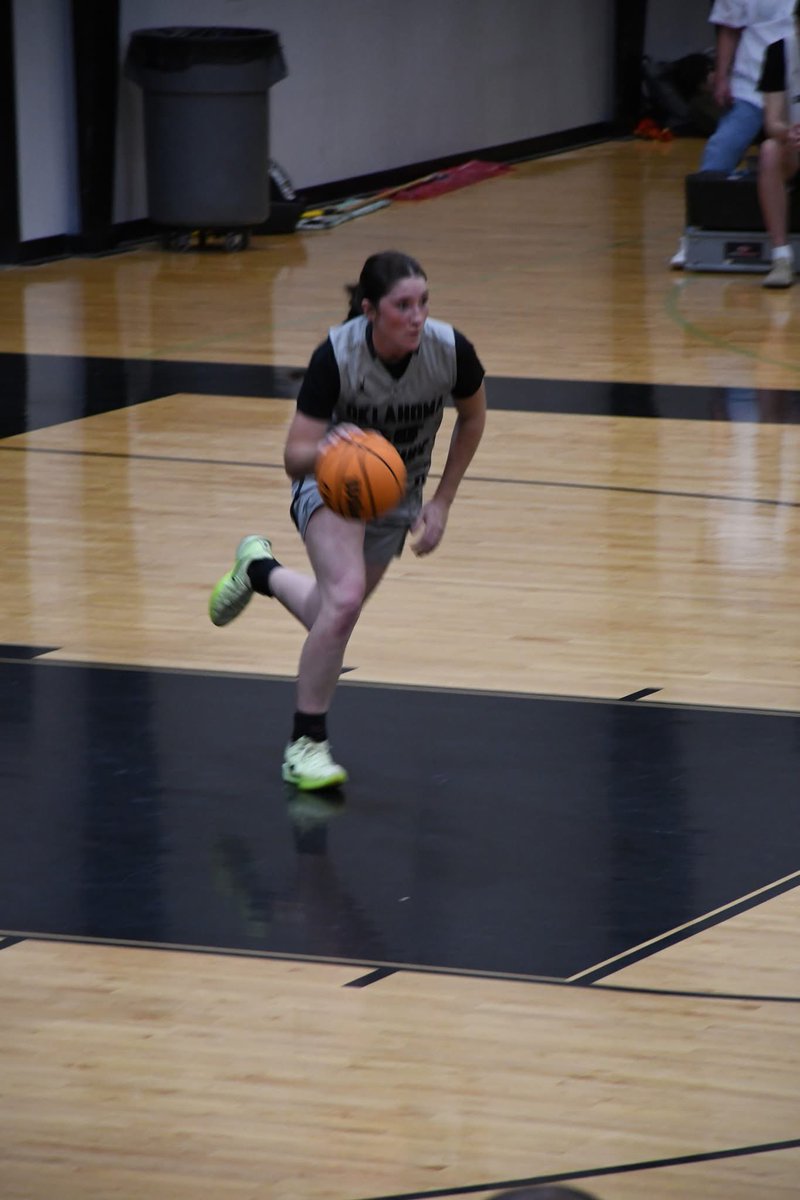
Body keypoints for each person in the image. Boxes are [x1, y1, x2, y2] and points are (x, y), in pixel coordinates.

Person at [208, 250, 487, 790]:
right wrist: (340, 450)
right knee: (346, 599)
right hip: (329, 484)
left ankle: (258, 570)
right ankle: (305, 744)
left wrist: (443, 500)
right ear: (369, 311)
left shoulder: (451, 351)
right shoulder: (335, 358)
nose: (416, 316)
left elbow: (473, 417)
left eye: (423, 303)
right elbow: (294, 455)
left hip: (396, 493)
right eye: (402, 305)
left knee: (330, 614)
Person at [670, 0, 794, 268]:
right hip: (751, 86)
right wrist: (723, 77)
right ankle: (693, 235)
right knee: (720, 147)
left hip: (795, 87)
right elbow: (729, 27)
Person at [755, 0, 800, 285]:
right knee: (769, 150)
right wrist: (789, 133)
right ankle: (781, 256)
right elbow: (772, 123)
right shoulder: (780, 51)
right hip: (795, 146)